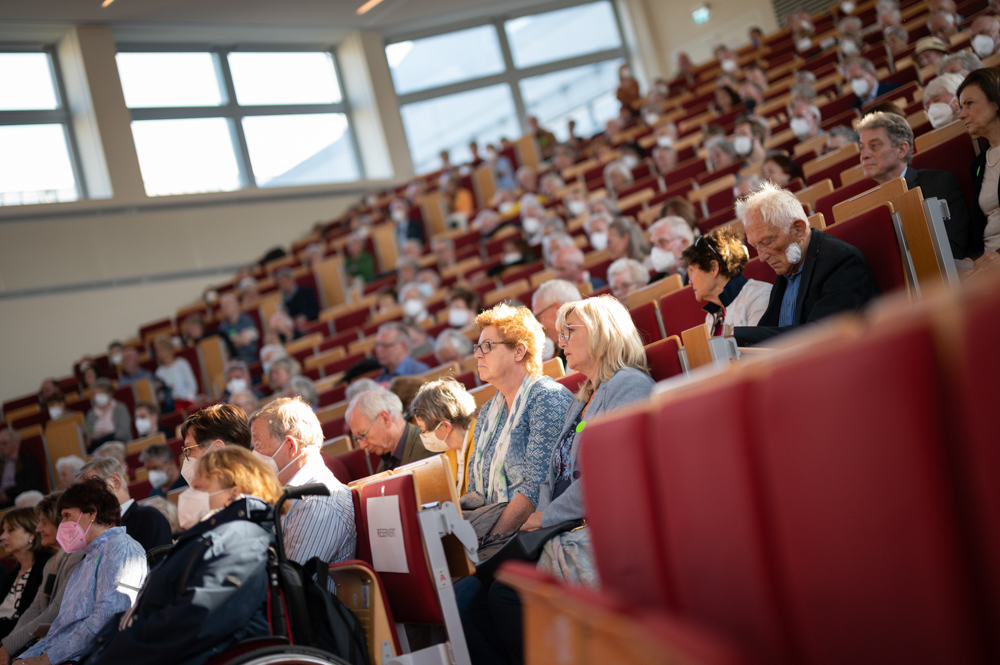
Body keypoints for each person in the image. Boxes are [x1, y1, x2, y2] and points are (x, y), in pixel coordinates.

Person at [460, 296, 655, 665]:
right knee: (475, 601)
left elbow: (609, 474)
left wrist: (542, 518)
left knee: (502, 594)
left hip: (602, 526)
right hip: (562, 524)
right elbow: (554, 473)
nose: (560, 341)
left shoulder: (628, 385)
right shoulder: (583, 397)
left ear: (601, 333)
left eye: (569, 331)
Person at [81, 448, 283, 665]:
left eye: (199, 488)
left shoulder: (242, 538)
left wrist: (123, 649)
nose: (188, 495)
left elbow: (197, 617)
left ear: (234, 492)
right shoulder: (206, 537)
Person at [466, 304, 574, 536]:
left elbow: (536, 489)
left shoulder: (547, 398)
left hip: (530, 536)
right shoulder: (487, 412)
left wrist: (490, 543)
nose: (477, 354)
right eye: (478, 347)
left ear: (519, 351)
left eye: (487, 346)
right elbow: (474, 490)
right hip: (489, 532)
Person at [15, 478, 147, 665]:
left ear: (91, 514)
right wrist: (24, 658)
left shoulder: (122, 548)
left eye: (67, 515)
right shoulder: (87, 558)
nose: (63, 524)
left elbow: (107, 619)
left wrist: (46, 659)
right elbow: (60, 628)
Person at [733, 183, 879, 346]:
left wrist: (736, 335)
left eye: (767, 242)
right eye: (755, 246)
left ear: (798, 229)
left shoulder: (841, 260)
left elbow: (820, 335)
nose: (761, 257)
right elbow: (768, 331)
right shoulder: (787, 270)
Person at [249, 398, 355, 565]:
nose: (254, 455)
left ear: (291, 445)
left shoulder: (317, 504)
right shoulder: (288, 493)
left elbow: (294, 584)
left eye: (259, 445)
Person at [857, 111, 971, 259]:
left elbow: (953, 250)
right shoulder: (864, 207)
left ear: (902, 150)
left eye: (874, 145)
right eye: (862, 147)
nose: (864, 155)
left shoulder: (938, 183)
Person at [0, 493, 85, 664]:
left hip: (69, 641)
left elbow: (56, 610)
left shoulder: (77, 555)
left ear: (60, 523)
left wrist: (10, 646)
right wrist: (9, 644)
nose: (38, 529)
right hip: (45, 638)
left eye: (44, 523)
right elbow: (35, 609)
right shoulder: (51, 564)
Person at [680, 226, 772, 333]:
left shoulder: (759, 297)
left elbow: (759, 348)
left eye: (693, 271)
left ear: (713, 268)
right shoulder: (712, 316)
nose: (690, 282)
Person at [77, 458, 171, 553]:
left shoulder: (148, 518)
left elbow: (158, 565)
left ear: (115, 482)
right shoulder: (94, 531)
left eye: (90, 489)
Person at [958, 68, 1000, 270]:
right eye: (960, 107)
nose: (961, 114)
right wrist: (970, 261)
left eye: (969, 104)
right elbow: (982, 228)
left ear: (995, 101)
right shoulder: (979, 164)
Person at [409, 379, 478, 495]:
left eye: (423, 430)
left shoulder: (484, 442)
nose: (422, 435)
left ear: (445, 426)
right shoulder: (450, 454)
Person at [346, 388, 434, 473]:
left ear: (385, 419)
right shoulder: (385, 461)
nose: (362, 446)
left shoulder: (428, 453)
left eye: (363, 435)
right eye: (357, 438)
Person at [0, 509, 53, 640]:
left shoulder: (45, 567)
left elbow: (32, 620)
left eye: (10, 530)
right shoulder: (10, 576)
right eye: (3, 531)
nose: (2, 537)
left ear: (31, 534)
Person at [531, 279, 581, 362]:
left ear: (558, 310)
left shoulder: (596, 343)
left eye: (538, 318)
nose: (539, 327)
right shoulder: (564, 354)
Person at [0, 428, 44, 510]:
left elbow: (33, 484)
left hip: (18, 498)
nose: (1, 447)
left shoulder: (27, 460)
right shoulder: (1, 463)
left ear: (16, 443)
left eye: (4, 443)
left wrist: (7, 493)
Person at [84, 379, 131, 451]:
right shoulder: (91, 414)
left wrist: (109, 434)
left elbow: (124, 430)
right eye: (95, 394)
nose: (98, 396)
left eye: (101, 393)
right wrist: (93, 434)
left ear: (109, 394)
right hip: (98, 445)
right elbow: (90, 428)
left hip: (117, 443)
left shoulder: (120, 408)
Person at [153, 337, 198, 409]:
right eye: (158, 351)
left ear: (170, 349)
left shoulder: (182, 363)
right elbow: (161, 395)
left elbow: (192, 386)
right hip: (171, 406)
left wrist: (184, 399)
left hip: (188, 401)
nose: (160, 353)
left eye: (163, 349)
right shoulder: (159, 372)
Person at [216, 293, 259, 365]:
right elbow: (225, 348)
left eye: (227, 305)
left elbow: (246, 341)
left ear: (236, 305)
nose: (224, 308)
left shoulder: (247, 320)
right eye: (223, 307)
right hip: (232, 361)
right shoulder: (222, 327)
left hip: (250, 359)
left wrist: (234, 341)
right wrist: (240, 338)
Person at [649, 216, 695, 281]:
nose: (655, 249)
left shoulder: (700, 272)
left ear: (684, 243)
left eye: (663, 242)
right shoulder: (653, 283)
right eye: (653, 244)